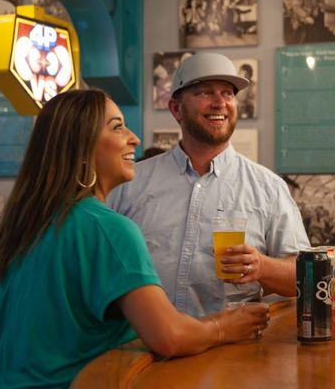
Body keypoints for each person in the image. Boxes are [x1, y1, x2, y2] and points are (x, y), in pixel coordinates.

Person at [0, 89, 270, 388]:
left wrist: (24, 373)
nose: (133, 138)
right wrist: (224, 327)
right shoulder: (108, 229)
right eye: (117, 127)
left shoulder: (16, 229)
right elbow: (170, 336)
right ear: (82, 146)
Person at [108, 53, 310, 318]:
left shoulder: (268, 188)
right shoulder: (130, 182)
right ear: (176, 109)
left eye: (227, 93)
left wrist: (261, 266)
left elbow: (304, 275)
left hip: (229, 353)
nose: (219, 103)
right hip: (141, 347)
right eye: (204, 93)